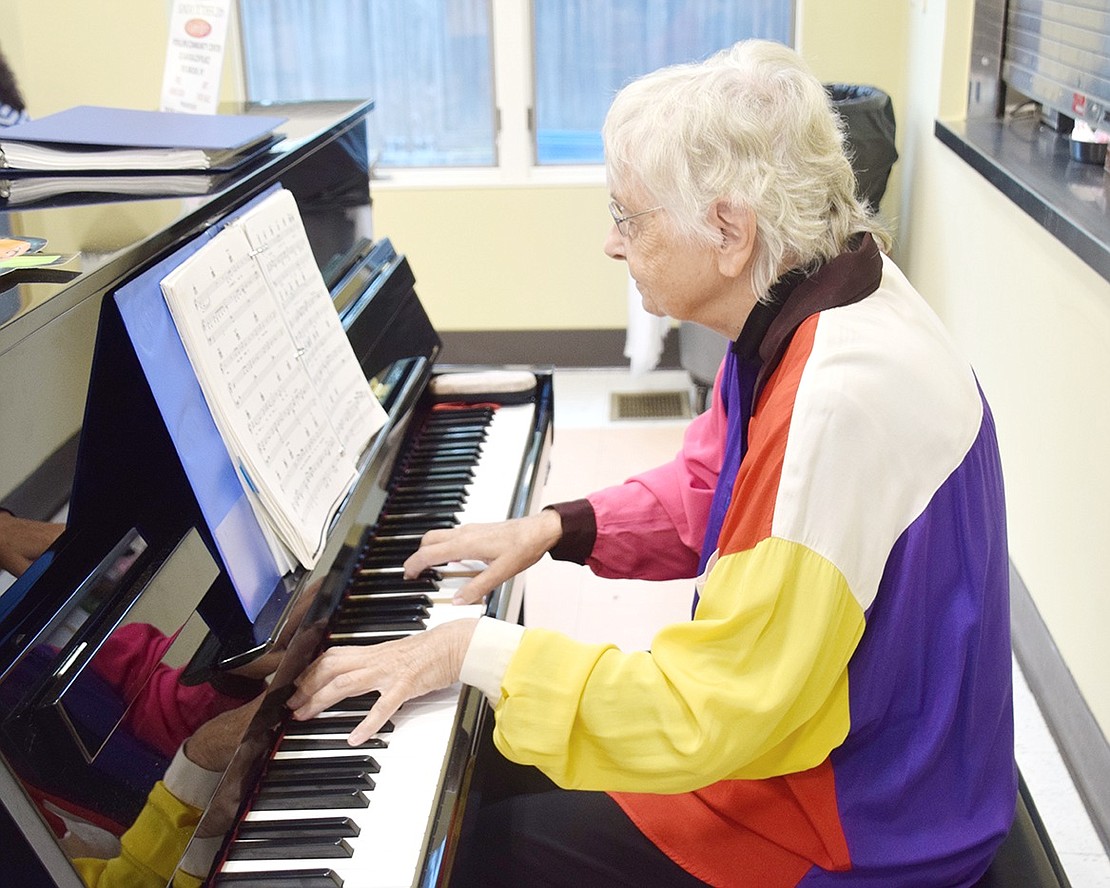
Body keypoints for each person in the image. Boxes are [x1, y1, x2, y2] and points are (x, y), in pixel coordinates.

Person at [289, 40, 1015, 886]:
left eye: (628, 217)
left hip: (863, 821)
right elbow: (716, 486)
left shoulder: (834, 403)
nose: (611, 242)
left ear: (729, 232)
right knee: (480, 758)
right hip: (856, 755)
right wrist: (559, 526)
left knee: (484, 846)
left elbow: (706, 713)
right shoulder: (822, 296)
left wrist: (470, 651)